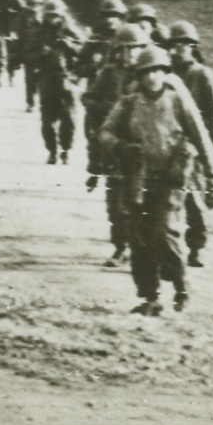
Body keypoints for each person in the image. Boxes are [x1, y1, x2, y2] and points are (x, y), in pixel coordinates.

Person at [99, 46, 213, 315]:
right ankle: (149, 297)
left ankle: (181, 286)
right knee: (139, 238)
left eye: (157, 71)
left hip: (172, 178)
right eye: (146, 72)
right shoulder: (129, 103)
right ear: (139, 76)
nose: (152, 77)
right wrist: (121, 146)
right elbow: (104, 133)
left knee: (163, 232)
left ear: (165, 73)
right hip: (138, 179)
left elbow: (201, 137)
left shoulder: (178, 101)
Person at [82, 23, 150, 264]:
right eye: (126, 49)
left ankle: (135, 249)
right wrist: (104, 109)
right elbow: (88, 96)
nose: (130, 54)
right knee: (114, 205)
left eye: (136, 48)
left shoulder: (147, 76)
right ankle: (120, 247)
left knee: (134, 202)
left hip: (136, 147)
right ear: (118, 50)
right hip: (112, 147)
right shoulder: (109, 73)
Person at [167, 21, 213, 268]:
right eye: (174, 44)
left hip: (193, 146)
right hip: (168, 144)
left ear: (192, 47)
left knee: (194, 201)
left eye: (184, 44)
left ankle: (196, 247)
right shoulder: (165, 73)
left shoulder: (202, 75)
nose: (178, 49)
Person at [35, 10, 82, 165]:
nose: (53, 19)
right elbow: (27, 53)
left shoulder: (70, 31)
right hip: (47, 81)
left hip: (67, 81)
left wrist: (70, 45)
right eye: (50, 15)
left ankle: (65, 150)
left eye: (56, 15)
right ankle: (52, 150)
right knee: (47, 121)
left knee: (69, 120)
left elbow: (84, 51)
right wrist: (40, 54)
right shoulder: (39, 33)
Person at [75, 0, 126, 84]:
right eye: (106, 15)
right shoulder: (94, 40)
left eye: (113, 15)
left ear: (120, 17)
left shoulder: (127, 39)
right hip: (96, 90)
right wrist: (94, 66)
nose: (109, 19)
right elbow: (79, 69)